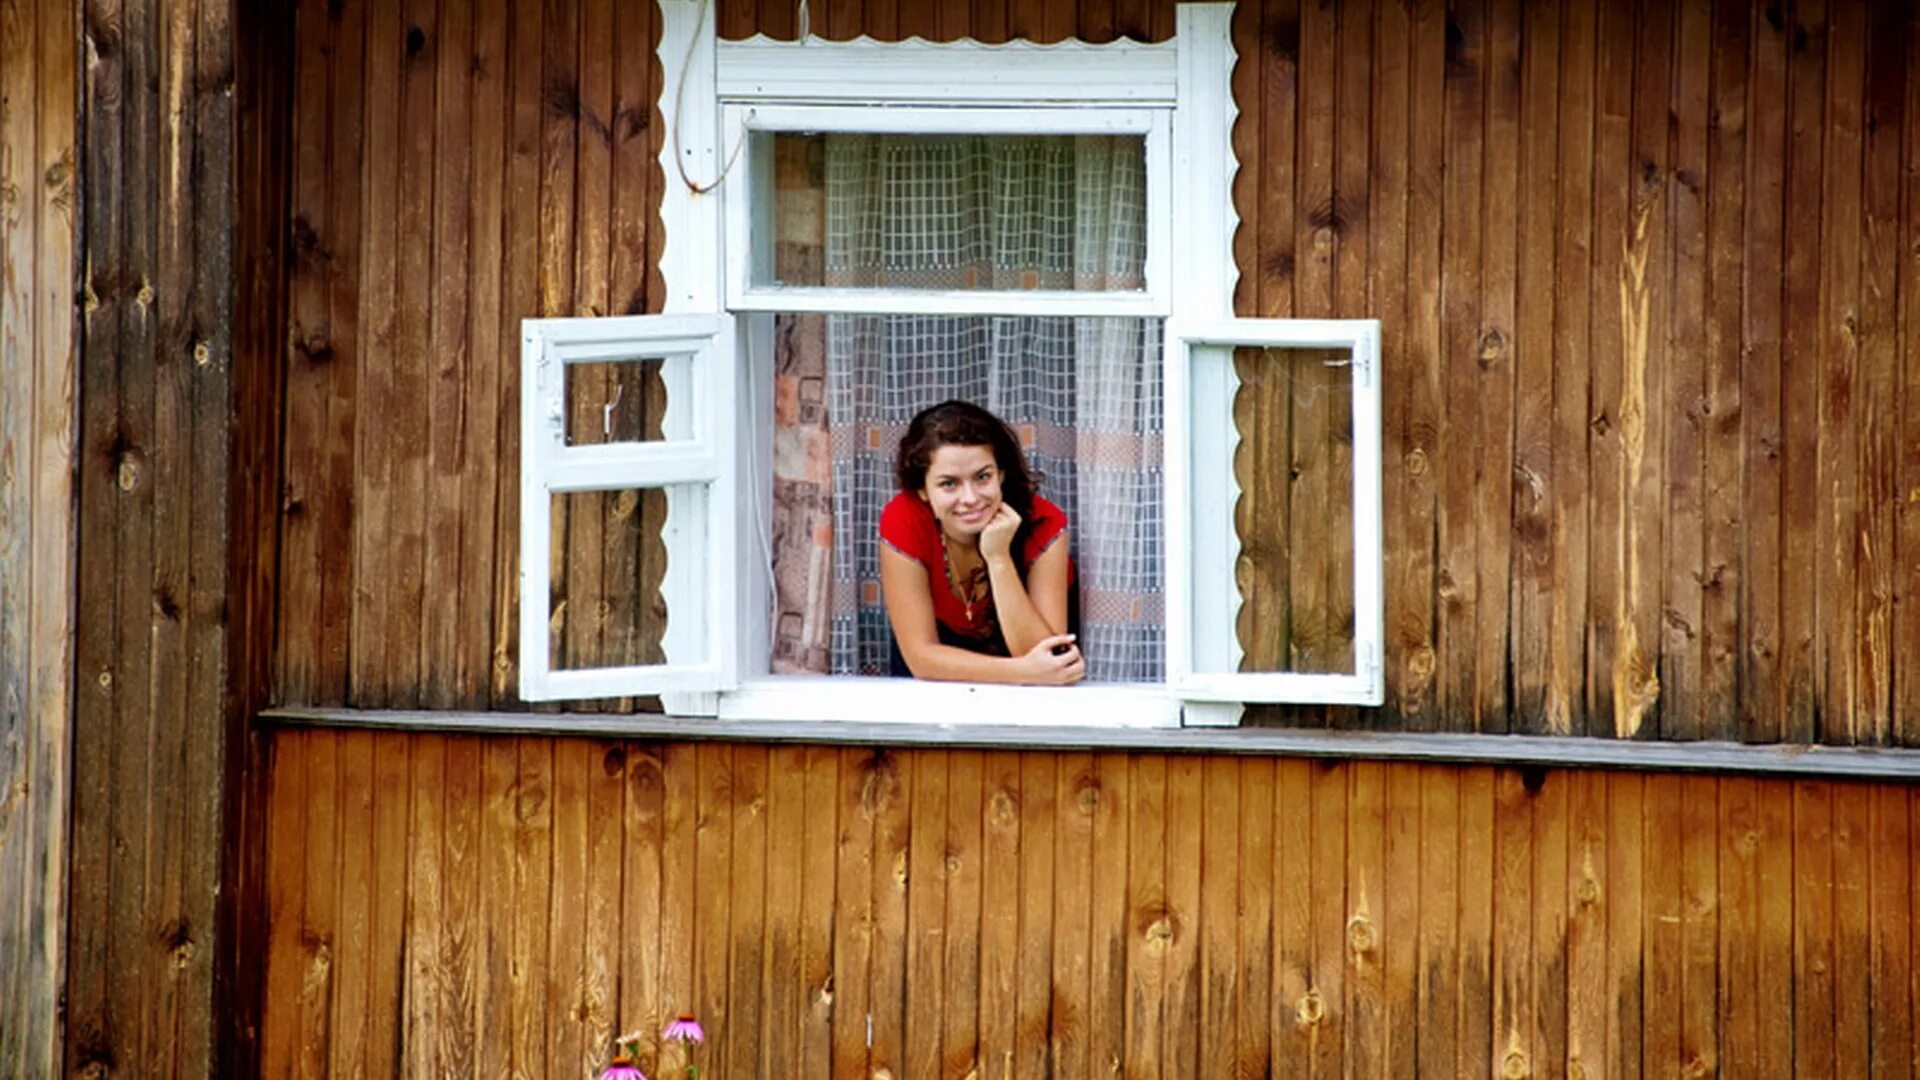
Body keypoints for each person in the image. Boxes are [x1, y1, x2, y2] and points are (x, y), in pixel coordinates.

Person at [879, 400, 1085, 685]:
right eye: (949, 483)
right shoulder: (905, 519)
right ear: (923, 490)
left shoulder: (1044, 525)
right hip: (938, 678)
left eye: (982, 477)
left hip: (1024, 680)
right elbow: (921, 657)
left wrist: (998, 557)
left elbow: (1052, 659)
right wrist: (1024, 672)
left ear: (1000, 474)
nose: (970, 498)